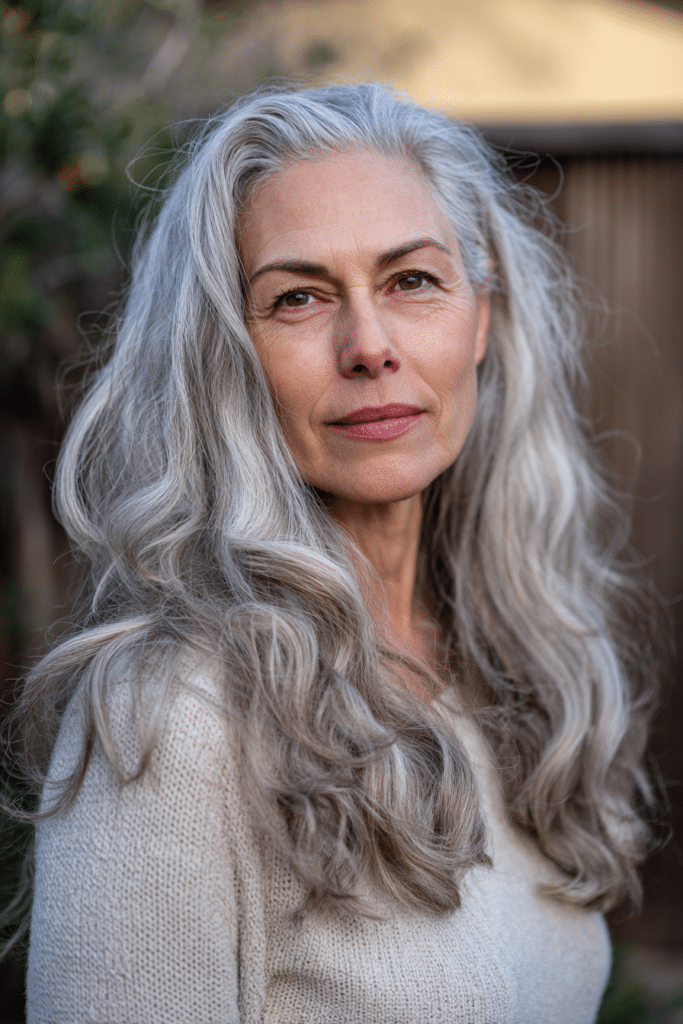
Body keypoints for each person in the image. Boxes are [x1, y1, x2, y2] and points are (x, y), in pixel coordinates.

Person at [20, 83, 653, 1023]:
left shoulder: (513, 663)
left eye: (410, 281)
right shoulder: (172, 721)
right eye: (299, 298)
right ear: (226, 353)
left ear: (479, 315)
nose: (368, 346)